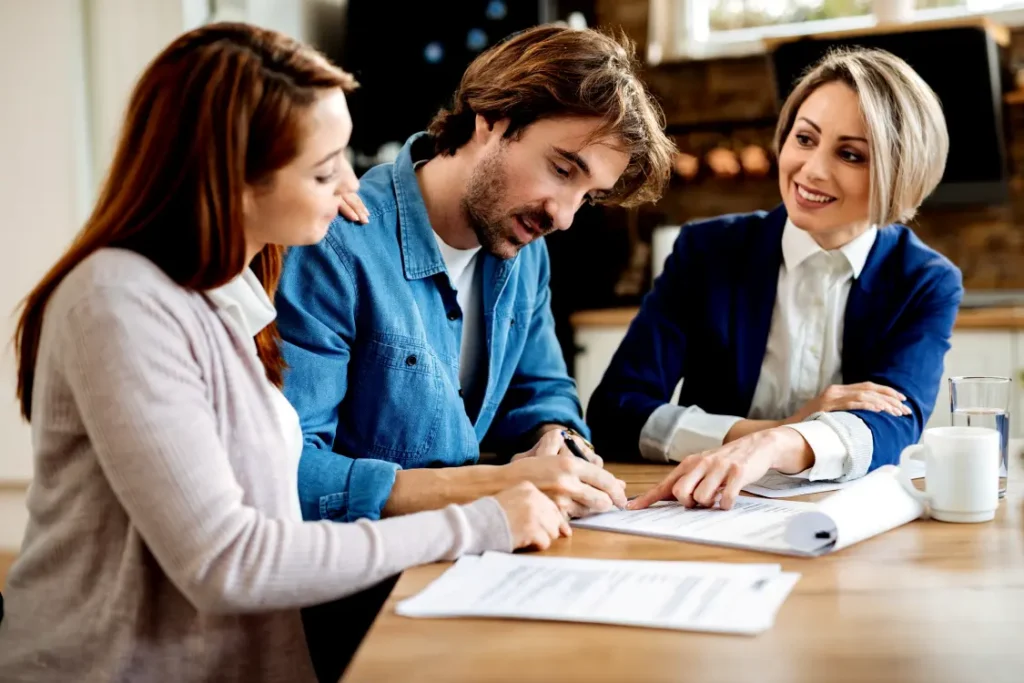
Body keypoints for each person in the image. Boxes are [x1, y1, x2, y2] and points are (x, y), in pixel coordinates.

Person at [0, 23, 571, 683]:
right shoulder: (117, 303)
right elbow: (230, 563)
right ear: (235, 176)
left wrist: (312, 200)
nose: (350, 187)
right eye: (326, 168)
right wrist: (477, 523)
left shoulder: (223, 291)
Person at [275, 24, 674, 528]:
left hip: (477, 553)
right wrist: (487, 487)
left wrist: (557, 440)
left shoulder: (524, 250)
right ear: (492, 120)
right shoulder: (334, 244)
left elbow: (543, 391)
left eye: (588, 197)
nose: (565, 217)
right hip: (369, 584)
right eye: (563, 170)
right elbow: (289, 472)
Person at [587, 47, 963, 512]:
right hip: (704, 510)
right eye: (805, 139)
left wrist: (777, 445)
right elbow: (616, 413)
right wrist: (772, 432)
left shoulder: (924, 282)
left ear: (900, 173)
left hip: (841, 526)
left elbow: (892, 431)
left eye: (850, 154)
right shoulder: (707, 251)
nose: (811, 170)